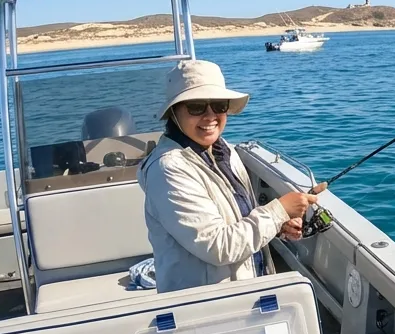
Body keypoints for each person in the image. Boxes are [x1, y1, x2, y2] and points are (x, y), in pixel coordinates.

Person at [138, 59, 324, 293]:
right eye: (196, 106)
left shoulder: (224, 150)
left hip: (243, 295)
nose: (210, 116)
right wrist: (279, 211)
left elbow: (235, 220)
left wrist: (278, 225)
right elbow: (219, 246)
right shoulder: (169, 169)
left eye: (218, 105)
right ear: (174, 112)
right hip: (207, 308)